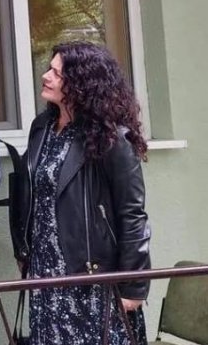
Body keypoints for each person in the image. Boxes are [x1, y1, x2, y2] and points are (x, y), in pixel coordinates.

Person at [13, 41, 150, 345]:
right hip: (46, 271)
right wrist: (24, 249)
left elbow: (132, 214)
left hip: (91, 274)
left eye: (57, 73)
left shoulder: (111, 138)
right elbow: (31, 194)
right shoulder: (42, 127)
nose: (46, 76)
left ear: (83, 83)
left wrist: (133, 286)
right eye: (49, 69)